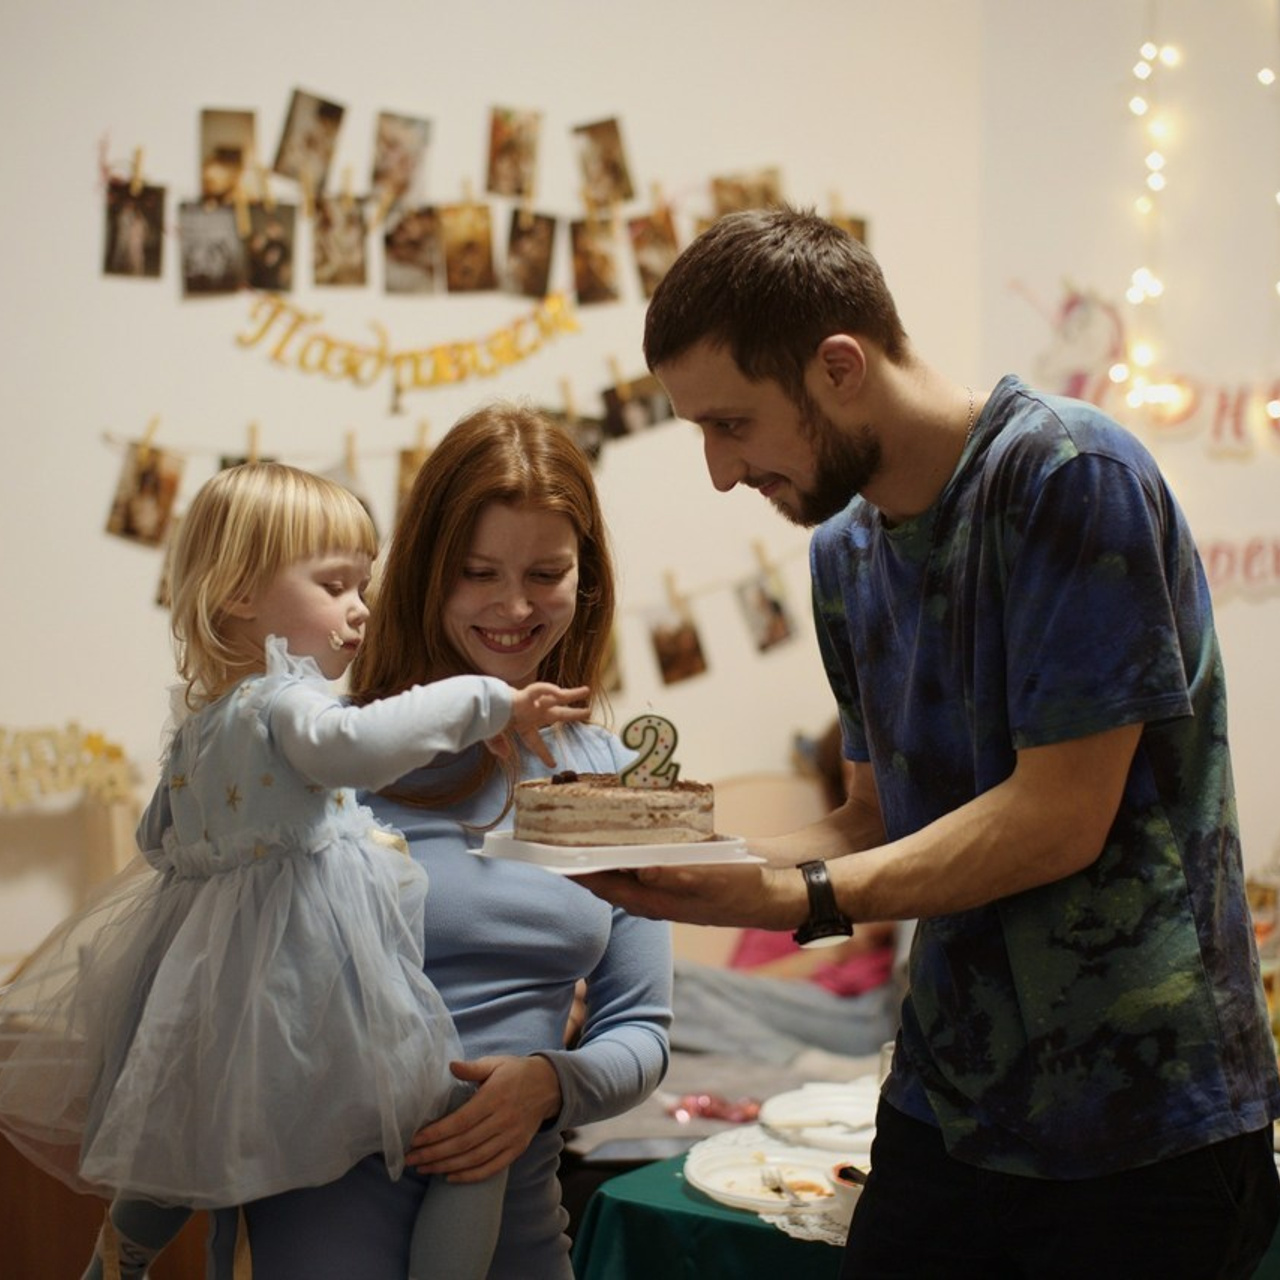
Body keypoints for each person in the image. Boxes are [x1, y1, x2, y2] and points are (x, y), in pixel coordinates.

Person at [583, 206, 1280, 1278]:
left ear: (837, 365)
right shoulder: (841, 556)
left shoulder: (1066, 474)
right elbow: (869, 816)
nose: (720, 471)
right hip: (945, 1105)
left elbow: (1057, 816)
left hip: (1146, 1123)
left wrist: (794, 896)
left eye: (730, 423)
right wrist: (700, 860)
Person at [0, 461, 590, 1280]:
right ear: (241, 594)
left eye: (363, 584)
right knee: (469, 1131)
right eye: (335, 585)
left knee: (190, 1138)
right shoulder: (291, 703)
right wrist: (489, 702)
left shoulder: (201, 722)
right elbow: (358, 746)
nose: (361, 609)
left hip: (218, 1008)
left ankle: (118, 1257)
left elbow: (157, 837)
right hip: (308, 999)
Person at [208, 403, 673, 1280]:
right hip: (324, 1228)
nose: (514, 606)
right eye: (477, 573)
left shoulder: (614, 779)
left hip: (519, 1227)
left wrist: (549, 1083)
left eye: (547, 573)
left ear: (589, 579)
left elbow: (642, 1026)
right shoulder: (321, 749)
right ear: (424, 574)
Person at [670, 720, 902, 1065]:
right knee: (664, 986)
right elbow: (743, 986)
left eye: (870, 773)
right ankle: (808, 1063)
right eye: (850, 778)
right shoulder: (804, 870)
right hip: (816, 1009)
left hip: (880, 1007)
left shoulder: (909, 849)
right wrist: (840, 950)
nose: (863, 787)